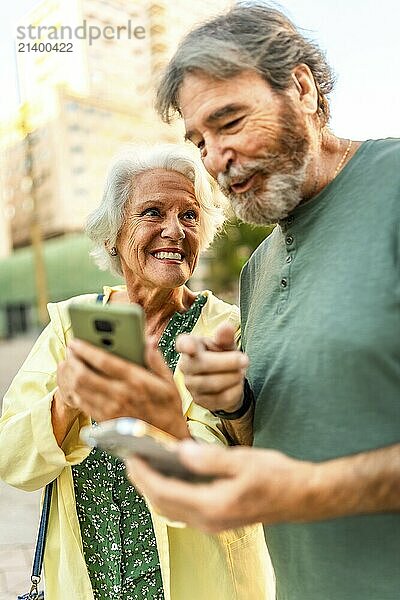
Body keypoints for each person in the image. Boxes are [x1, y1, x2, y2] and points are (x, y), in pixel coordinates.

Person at [125, 5, 400, 600]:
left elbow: (297, 481)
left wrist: (310, 490)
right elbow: (271, 443)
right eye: (199, 140)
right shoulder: (259, 267)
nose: (214, 159)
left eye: (229, 122)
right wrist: (232, 401)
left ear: (300, 88)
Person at [0, 144, 273, 600]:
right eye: (152, 212)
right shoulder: (71, 325)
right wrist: (64, 403)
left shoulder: (226, 328)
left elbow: (233, 471)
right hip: (92, 582)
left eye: (189, 216)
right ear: (112, 236)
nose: (175, 230)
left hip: (205, 583)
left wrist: (165, 420)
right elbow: (11, 457)